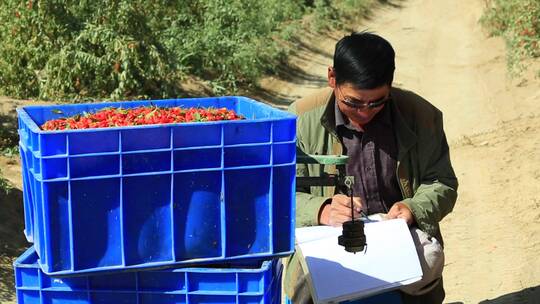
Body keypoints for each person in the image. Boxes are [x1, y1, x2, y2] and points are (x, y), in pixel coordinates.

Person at [284, 32, 458, 303]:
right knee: (306, 284)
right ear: (332, 78)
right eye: (352, 102)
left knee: (429, 258)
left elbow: (442, 182)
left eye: (377, 102)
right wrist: (321, 210)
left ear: (390, 85)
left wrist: (413, 208)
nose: (364, 112)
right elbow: (276, 195)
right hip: (326, 239)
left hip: (397, 236)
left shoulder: (421, 116)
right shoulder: (297, 121)